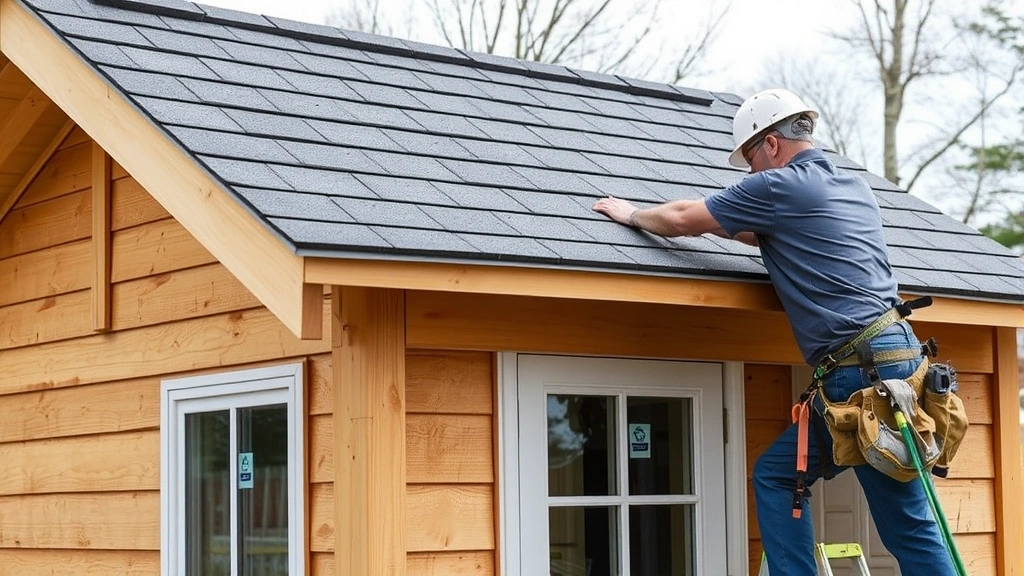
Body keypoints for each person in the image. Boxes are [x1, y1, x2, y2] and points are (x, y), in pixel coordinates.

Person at [592, 88, 955, 575]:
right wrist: (725, 219)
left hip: (863, 377)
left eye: (749, 160)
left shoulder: (780, 186)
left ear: (771, 145)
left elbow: (682, 219)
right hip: (895, 360)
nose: (750, 174)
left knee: (908, 525)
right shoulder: (851, 188)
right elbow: (744, 226)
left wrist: (630, 214)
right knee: (780, 474)